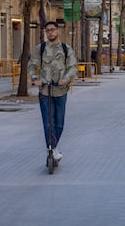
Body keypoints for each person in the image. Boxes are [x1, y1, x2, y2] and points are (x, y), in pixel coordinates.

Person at [28, 21, 78, 163]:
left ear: (57, 31)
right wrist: (34, 79)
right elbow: (32, 65)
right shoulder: (41, 48)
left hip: (60, 91)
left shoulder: (66, 49)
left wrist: (66, 79)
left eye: (52, 30)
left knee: (59, 123)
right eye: (47, 30)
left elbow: (73, 67)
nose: (50, 33)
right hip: (45, 91)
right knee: (48, 122)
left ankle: (54, 148)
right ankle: (51, 149)